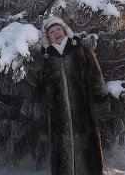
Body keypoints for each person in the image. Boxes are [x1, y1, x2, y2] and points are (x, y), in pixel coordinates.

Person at [40, 15, 109, 175]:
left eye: (59, 29)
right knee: (62, 156)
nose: (57, 33)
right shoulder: (46, 57)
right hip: (59, 118)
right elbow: (41, 86)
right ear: (48, 37)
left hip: (83, 112)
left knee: (87, 154)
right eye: (52, 32)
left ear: (65, 30)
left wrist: (101, 99)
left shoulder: (81, 49)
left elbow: (96, 75)